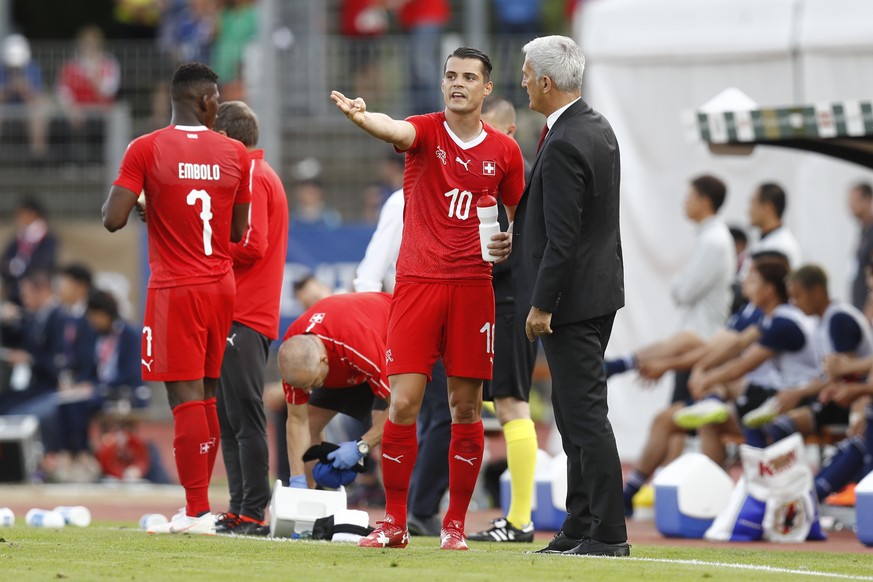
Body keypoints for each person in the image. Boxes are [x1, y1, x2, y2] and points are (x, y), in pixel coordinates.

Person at [331, 45, 525, 550]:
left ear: (486, 88)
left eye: (468, 77)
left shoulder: (504, 152)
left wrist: (510, 242)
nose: (457, 83)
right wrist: (362, 116)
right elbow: (395, 129)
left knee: (466, 408)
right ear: (443, 84)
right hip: (416, 285)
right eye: (450, 76)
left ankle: (454, 526)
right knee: (402, 403)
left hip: (473, 290)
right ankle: (394, 523)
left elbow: (522, 214)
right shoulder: (427, 130)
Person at [101, 62, 251, 535]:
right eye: (217, 100)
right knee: (206, 396)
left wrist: (148, 203)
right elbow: (237, 231)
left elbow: (112, 218)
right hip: (221, 285)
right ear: (205, 100)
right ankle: (201, 511)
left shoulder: (145, 148)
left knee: (184, 400)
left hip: (176, 286)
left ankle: (195, 512)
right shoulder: (235, 153)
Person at [513, 35, 629, 557]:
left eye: (524, 72)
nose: (521, 81)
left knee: (583, 415)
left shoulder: (562, 141)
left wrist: (542, 303)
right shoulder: (596, 126)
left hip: (571, 302)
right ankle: (580, 523)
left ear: (544, 81)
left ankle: (607, 532)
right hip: (597, 293)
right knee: (570, 411)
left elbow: (565, 237)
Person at [353, 184, 451, 537]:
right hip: (412, 318)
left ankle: (420, 507)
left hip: (454, 315)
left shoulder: (467, 187)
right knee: (412, 411)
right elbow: (370, 271)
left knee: (450, 413)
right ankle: (411, 508)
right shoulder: (404, 198)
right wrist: (376, 326)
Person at [211, 100, 289, 536]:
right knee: (230, 416)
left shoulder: (254, 177)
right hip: (235, 312)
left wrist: (209, 244)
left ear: (224, 139)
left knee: (244, 414)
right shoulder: (251, 176)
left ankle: (254, 511)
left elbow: (252, 244)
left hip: (247, 312)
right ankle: (239, 506)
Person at [468, 96, 538, 544]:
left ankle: (520, 520)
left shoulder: (520, 181)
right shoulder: (485, 178)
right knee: (482, 402)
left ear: (509, 133)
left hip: (511, 304)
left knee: (512, 403)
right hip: (490, 304)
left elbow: (523, 249)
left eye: (489, 131)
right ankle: (496, 513)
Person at [605, 175, 735, 402]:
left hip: (702, 339)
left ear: (705, 202)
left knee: (679, 419)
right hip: (695, 337)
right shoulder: (710, 237)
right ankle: (623, 363)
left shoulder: (714, 241)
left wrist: (678, 282)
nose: (685, 202)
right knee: (677, 420)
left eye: (690, 197)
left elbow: (683, 291)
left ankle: (623, 364)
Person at [277, 292, 392, 491]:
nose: (307, 390)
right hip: (343, 363)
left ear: (323, 360)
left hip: (387, 342)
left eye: (311, 383)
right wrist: (297, 479)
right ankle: (310, 500)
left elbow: (399, 408)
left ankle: (396, 513)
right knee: (310, 421)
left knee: (388, 440)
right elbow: (297, 421)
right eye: (303, 386)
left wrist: (361, 447)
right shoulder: (293, 353)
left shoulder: (359, 344)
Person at [56, 25, 121, 164]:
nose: (88, 48)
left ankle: (96, 163)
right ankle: (70, 163)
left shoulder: (109, 64)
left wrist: (94, 75)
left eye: (92, 45)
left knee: (97, 124)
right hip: (77, 110)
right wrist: (71, 108)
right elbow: (63, 91)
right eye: (86, 45)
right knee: (65, 122)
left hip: (101, 109)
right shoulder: (71, 65)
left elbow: (108, 91)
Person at [1, 198, 58, 306]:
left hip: (36, 294)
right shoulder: (17, 238)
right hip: (14, 294)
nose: (18, 218)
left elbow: (46, 263)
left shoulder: (48, 238)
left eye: (21, 214)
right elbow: (4, 262)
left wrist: (19, 268)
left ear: (32, 213)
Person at [744, 182, 802, 271]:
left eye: (753, 203)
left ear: (768, 207)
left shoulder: (781, 247)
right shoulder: (764, 239)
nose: (749, 210)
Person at [849, 182, 873, 312]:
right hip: (858, 309)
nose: (851, 205)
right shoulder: (863, 232)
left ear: (868, 200)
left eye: (855, 200)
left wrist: (868, 315)